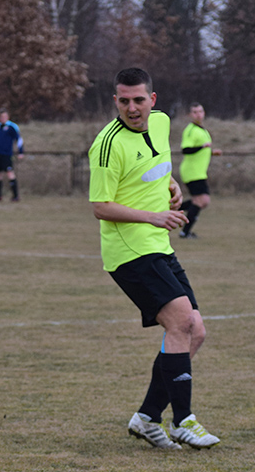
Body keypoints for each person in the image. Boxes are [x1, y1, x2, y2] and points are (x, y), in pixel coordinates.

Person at [88, 67, 220, 450]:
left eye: (138, 100)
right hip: (128, 250)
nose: (132, 108)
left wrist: (173, 187)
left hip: (158, 245)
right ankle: (183, 420)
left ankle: (146, 417)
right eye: (124, 100)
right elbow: (100, 205)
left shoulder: (160, 125)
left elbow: (156, 167)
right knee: (181, 322)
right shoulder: (107, 144)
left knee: (195, 329)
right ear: (115, 101)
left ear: (153, 101)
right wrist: (154, 216)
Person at [178, 102, 222, 239]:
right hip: (192, 171)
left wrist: (211, 152)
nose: (198, 114)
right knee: (201, 200)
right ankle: (184, 232)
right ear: (190, 115)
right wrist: (202, 147)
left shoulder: (203, 130)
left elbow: (201, 150)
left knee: (201, 201)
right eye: (195, 112)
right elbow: (186, 149)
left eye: (200, 111)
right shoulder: (190, 130)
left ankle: (173, 211)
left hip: (199, 172)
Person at [0, 108, 24, 201]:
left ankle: (15, 196)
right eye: (1, 117)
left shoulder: (12, 127)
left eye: (4, 116)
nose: (3, 118)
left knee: (10, 173)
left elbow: (18, 140)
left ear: (8, 117)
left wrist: (21, 152)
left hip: (6, 154)